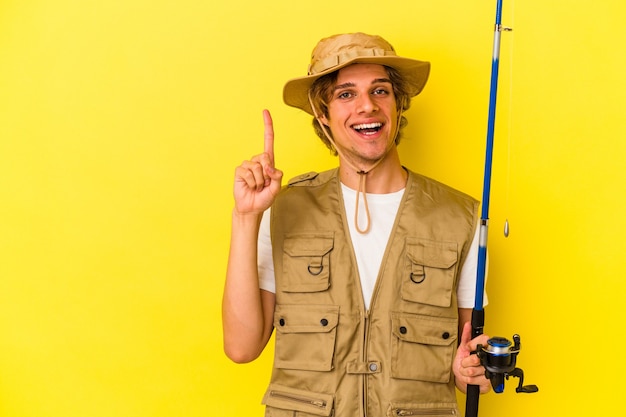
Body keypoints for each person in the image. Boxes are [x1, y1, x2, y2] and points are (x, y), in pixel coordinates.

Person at [223, 32, 491, 416]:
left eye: (380, 91)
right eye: (346, 94)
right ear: (323, 115)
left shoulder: (461, 218)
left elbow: (467, 371)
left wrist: (470, 369)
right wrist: (246, 217)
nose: (367, 106)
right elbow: (241, 347)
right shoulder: (282, 210)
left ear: (398, 105)